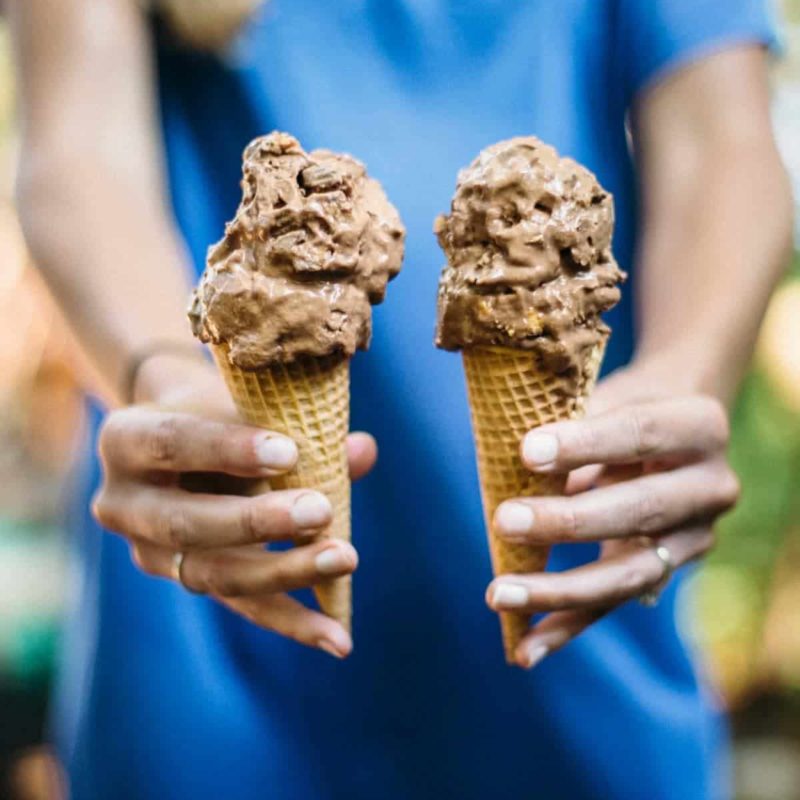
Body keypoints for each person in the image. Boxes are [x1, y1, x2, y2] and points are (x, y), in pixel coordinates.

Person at [9, 1, 793, 798]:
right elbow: (77, 145)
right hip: (216, 621)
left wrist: (688, 374)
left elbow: (723, 138)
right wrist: (159, 373)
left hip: (589, 580)